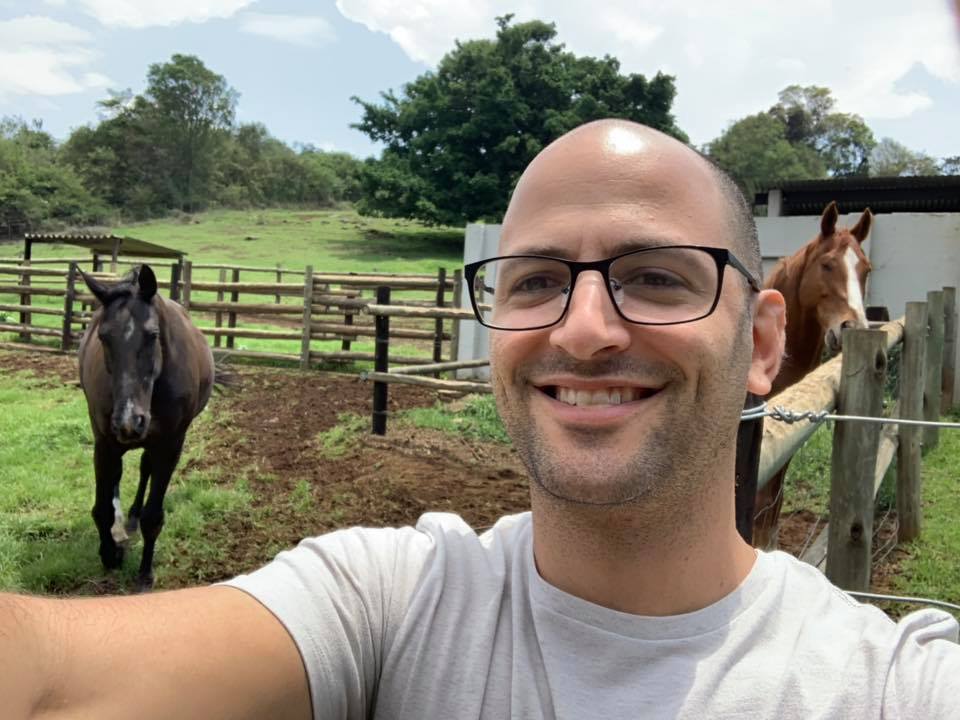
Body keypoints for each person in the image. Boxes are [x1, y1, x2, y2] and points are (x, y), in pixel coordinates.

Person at [2, 120, 958, 719]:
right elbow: (50, 677)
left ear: (762, 342)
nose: (584, 330)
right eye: (535, 281)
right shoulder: (386, 602)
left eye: (658, 278)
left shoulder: (891, 685)